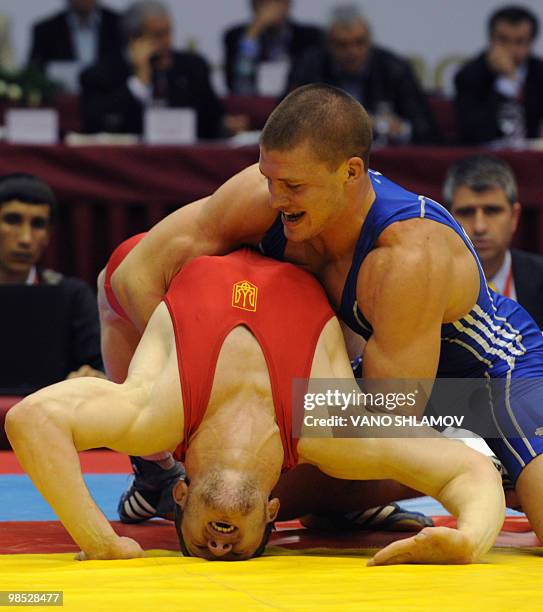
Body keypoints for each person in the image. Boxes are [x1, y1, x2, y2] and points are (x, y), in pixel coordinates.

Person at [106, 83, 543, 544]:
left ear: (350, 173)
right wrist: (204, 390)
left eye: (293, 187)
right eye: (270, 179)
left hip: (494, 373)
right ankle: (163, 473)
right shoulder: (263, 197)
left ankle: (485, 458)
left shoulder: (406, 257)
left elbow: (389, 418)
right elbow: (134, 277)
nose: (276, 200)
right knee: (243, 497)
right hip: (388, 380)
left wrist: (276, 410)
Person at [6, 243, 504, 563]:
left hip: (199, 249)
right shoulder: (326, 426)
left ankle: (153, 470)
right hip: (306, 262)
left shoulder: (156, 414)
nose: (220, 544)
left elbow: (32, 419)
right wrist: (468, 540)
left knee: (118, 275)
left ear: (182, 500)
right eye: (233, 550)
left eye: (205, 546)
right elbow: (469, 469)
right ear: (270, 514)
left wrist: (101, 543)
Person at [286, 4, 440, 144]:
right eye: (342, 45)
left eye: (359, 42)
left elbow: (426, 129)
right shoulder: (309, 67)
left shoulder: (394, 68)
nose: (352, 51)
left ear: (370, 40)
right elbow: (284, 120)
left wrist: (401, 129)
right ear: (328, 44)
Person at [0, 173, 103, 381]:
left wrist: (92, 377)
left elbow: (99, 367)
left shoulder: (72, 296)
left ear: (48, 235)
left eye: (37, 224)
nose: (25, 239)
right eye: (12, 220)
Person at [80, 1, 227, 139]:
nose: (167, 41)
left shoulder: (192, 66)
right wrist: (139, 82)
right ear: (133, 38)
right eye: (158, 35)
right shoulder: (100, 74)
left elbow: (212, 121)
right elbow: (98, 124)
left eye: (168, 32)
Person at [443, 155, 543, 329]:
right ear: (447, 219)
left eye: (492, 211)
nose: (479, 227)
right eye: (466, 212)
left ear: (514, 217)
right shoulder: (427, 284)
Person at [454, 5, 543, 145]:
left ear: (531, 43)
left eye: (519, 41)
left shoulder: (539, 72)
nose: (511, 49)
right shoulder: (469, 75)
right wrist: (507, 82)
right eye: (503, 40)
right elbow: (476, 133)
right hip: (486, 160)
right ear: (491, 40)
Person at [223, 0, 322, 94]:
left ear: (287, 4)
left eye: (276, 1)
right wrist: (251, 36)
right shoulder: (236, 36)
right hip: (253, 104)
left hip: (294, 103)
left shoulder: (310, 36)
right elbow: (239, 85)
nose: (271, 8)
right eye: (264, 2)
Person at [28, 0, 122, 71]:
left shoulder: (120, 25)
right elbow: (35, 73)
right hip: (62, 95)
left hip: (114, 95)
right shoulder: (45, 31)